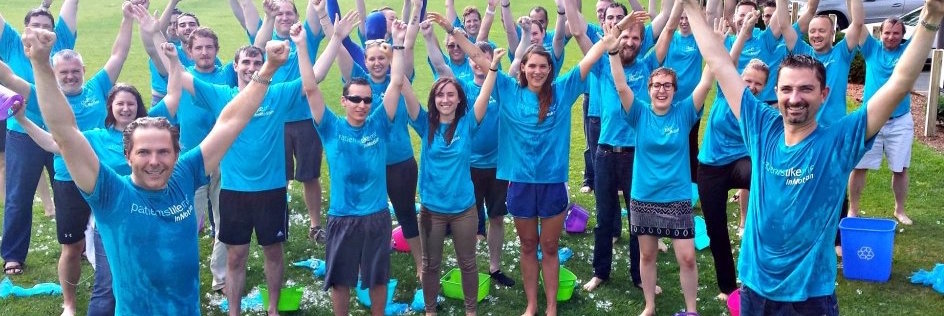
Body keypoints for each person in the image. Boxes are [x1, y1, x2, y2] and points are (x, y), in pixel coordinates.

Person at [683, 0, 942, 313]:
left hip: (810, 298)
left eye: (806, 89)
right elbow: (719, 62)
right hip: (754, 290)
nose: (795, 98)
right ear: (776, 92)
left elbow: (899, 83)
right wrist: (690, 7)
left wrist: (931, 18)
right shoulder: (761, 126)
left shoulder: (840, 141)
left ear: (824, 94)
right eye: (787, 89)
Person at [21, 22, 290, 314]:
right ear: (128, 156)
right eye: (144, 152)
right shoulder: (110, 193)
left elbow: (232, 120)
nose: (154, 161)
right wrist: (41, 64)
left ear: (177, 154)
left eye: (163, 152)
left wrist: (268, 68)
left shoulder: (185, 174)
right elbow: (65, 132)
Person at [473, 21, 607, 316]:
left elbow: (589, 60)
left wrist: (610, 37)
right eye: (531, 66)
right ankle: (532, 304)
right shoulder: (508, 90)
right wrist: (452, 31)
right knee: (527, 245)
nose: (537, 71)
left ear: (550, 69)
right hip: (520, 182)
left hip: (552, 182)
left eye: (542, 66)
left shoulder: (562, 90)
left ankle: (551, 306)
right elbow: (478, 57)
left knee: (549, 246)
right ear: (522, 68)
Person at [6, 3, 132, 313]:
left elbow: (118, 54)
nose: (71, 76)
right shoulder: (42, 94)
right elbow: (7, 76)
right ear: (54, 73)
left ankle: (123, 293)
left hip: (102, 177)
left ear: (84, 71)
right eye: (64, 72)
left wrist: (128, 18)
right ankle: (70, 304)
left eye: (76, 71)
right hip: (67, 179)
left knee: (118, 238)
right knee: (71, 247)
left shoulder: (97, 87)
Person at [603, 17, 713, 315]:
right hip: (645, 195)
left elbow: (706, 80)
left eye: (667, 86)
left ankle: (691, 309)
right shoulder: (638, 112)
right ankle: (650, 305)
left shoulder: (685, 112)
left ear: (675, 90)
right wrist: (613, 52)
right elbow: (621, 85)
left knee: (687, 257)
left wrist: (713, 45)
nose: (661, 90)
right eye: (656, 85)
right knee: (647, 256)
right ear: (648, 89)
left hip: (676, 196)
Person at [298, 10, 402, 316]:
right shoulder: (330, 126)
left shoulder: (379, 124)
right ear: (344, 101)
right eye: (355, 99)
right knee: (341, 280)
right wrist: (306, 45)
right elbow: (310, 88)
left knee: (378, 277)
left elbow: (396, 83)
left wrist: (398, 44)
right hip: (342, 216)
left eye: (367, 100)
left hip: (376, 216)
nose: (362, 105)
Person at [12, 83, 148, 316]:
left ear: (139, 106)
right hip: (111, 223)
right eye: (120, 104)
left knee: (144, 280)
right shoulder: (97, 137)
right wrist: (23, 120)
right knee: (107, 285)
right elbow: (56, 144)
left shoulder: (148, 134)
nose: (126, 108)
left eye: (131, 104)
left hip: (146, 219)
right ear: (110, 107)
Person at [404, 50, 499, 316]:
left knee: (468, 264)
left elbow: (484, 94)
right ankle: (430, 311)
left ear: (459, 99)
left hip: (464, 210)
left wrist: (492, 68)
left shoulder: (468, 124)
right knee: (430, 265)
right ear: (433, 99)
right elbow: (404, 87)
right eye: (440, 95)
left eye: (450, 95)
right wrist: (398, 50)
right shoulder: (425, 123)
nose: (445, 100)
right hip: (431, 210)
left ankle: (471, 311)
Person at [337, 0, 425, 282]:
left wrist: (411, 17)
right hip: (368, 162)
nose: (376, 63)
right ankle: (363, 265)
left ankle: (421, 264)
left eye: (381, 58)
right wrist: (333, 31)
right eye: (371, 59)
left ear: (389, 60)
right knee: (365, 216)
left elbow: (408, 44)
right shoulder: (359, 84)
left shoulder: (400, 80)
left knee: (406, 213)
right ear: (365, 61)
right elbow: (339, 50)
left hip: (400, 161)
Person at [423, 22, 516, 287]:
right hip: (468, 167)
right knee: (468, 219)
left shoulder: (501, 87)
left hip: (497, 165)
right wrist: (429, 37)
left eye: (482, 58)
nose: (477, 63)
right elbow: (440, 65)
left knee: (496, 217)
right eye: (474, 58)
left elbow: (519, 56)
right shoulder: (461, 88)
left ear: (490, 61)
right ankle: (468, 266)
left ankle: (495, 267)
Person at [1, 0, 80, 276]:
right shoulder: (11, 43)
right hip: (23, 133)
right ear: (25, 29)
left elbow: (72, 4)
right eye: (35, 25)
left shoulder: (62, 42)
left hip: (60, 132)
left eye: (47, 26)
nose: (41, 30)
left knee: (69, 191)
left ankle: (76, 244)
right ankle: (13, 254)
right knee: (18, 196)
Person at [249, 0, 330, 243]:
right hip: (274, 120)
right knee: (278, 176)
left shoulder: (305, 37)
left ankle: (315, 226)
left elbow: (315, 9)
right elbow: (256, 48)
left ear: (296, 16)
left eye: (289, 13)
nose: (284, 17)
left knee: (310, 176)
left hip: (306, 119)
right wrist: (268, 17)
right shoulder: (268, 38)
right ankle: (276, 224)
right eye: (279, 13)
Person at [848, 17, 915, 225]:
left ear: (902, 35)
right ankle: (853, 210)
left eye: (896, 33)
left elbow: (924, 29)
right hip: (871, 118)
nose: (891, 37)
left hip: (900, 121)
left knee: (900, 169)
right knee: (859, 166)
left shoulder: (907, 51)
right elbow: (857, 22)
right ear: (880, 33)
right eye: (887, 32)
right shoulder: (871, 49)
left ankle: (899, 210)